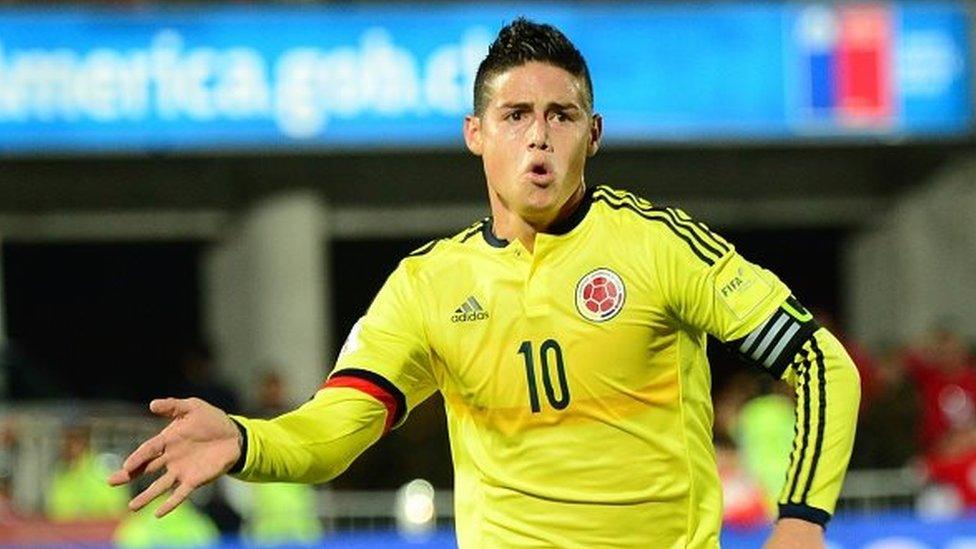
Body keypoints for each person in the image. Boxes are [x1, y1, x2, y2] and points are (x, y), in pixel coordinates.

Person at [108, 18, 860, 548]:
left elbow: (821, 362)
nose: (538, 136)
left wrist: (800, 518)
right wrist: (246, 437)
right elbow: (333, 430)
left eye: (562, 115)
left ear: (593, 134)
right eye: (515, 114)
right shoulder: (427, 286)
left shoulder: (658, 246)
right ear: (476, 134)